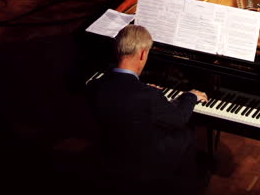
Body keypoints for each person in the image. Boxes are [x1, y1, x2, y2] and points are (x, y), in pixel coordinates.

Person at [87, 25, 208, 194]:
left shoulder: (95, 85)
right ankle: (188, 183)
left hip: (112, 153)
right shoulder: (148, 95)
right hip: (145, 163)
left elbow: (123, 97)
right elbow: (179, 119)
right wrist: (190, 96)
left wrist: (143, 90)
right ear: (143, 53)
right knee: (186, 133)